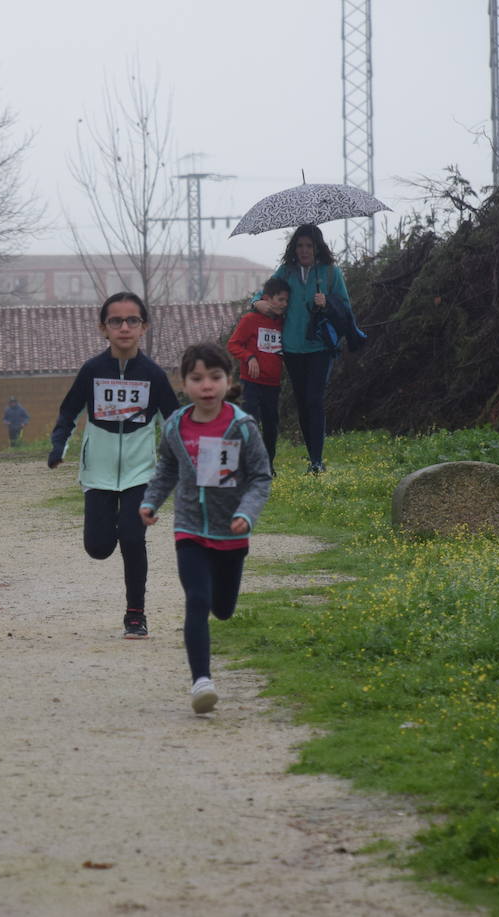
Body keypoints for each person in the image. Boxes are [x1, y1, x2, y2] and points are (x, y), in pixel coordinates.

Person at [140, 342, 271, 714]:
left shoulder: (242, 427)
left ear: (228, 381)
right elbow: (166, 469)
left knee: (223, 608)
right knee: (196, 600)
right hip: (190, 530)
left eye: (215, 377)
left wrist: (247, 513)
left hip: (232, 533)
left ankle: (218, 603)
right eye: (197, 379)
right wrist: (150, 502)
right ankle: (201, 681)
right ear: (184, 383)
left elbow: (261, 477)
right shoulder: (175, 426)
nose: (207, 386)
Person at [48, 292, 181, 638]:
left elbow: (174, 419)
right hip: (99, 472)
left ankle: (135, 615)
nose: (124, 327)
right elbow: (68, 411)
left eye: (132, 320)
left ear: (144, 327)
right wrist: (58, 445)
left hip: (140, 471)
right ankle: (114, 527)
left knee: (133, 539)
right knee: (99, 547)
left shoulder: (152, 374)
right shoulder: (93, 370)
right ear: (103, 329)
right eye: (116, 321)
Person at [266, 223, 354, 474]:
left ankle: (317, 460)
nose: (304, 250)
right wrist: (256, 305)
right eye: (300, 245)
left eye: (309, 245)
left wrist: (327, 301)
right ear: (294, 248)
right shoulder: (286, 272)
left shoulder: (329, 273)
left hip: (320, 347)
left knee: (314, 399)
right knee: (303, 402)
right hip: (293, 347)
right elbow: (265, 295)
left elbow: (346, 307)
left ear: (317, 248)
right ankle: (311, 455)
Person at [226, 276, 289, 465]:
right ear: (267, 299)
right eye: (280, 300)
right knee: (250, 425)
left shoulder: (283, 323)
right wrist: (249, 357)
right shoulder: (250, 320)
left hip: (272, 384)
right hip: (251, 383)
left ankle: (268, 465)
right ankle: (248, 463)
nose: (284, 305)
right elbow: (233, 344)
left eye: (287, 301)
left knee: (271, 426)